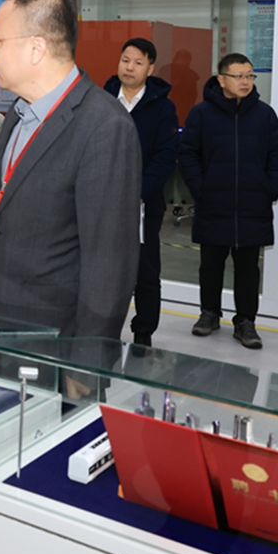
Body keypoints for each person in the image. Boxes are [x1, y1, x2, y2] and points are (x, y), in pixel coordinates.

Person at [0, 0, 140, 341]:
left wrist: (85, 362)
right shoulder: (19, 112)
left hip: (55, 339)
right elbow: (3, 193)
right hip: (1, 322)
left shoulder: (104, 127)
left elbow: (109, 267)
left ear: (36, 48)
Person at [178, 52, 278, 350]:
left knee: (248, 268)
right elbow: (187, 154)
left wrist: (269, 188)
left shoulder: (264, 115)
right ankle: (209, 314)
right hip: (214, 201)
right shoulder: (202, 114)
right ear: (221, 80)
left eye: (250, 75)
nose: (246, 81)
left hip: (253, 203)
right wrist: (201, 189)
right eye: (239, 76)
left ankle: (245, 322)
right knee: (210, 264)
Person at [103, 38, 179, 347]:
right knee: (104, 269)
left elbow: (165, 157)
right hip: (102, 201)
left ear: (149, 68)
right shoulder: (102, 100)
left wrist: (140, 192)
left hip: (143, 204)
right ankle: (103, 328)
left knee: (145, 271)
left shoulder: (162, 107)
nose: (129, 67)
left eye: (137, 62)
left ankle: (143, 332)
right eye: (125, 60)